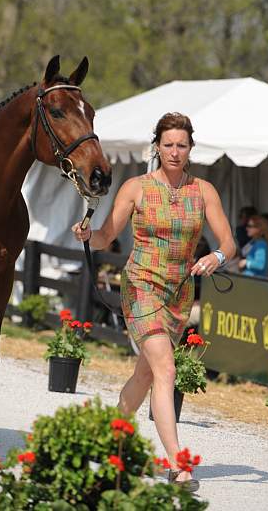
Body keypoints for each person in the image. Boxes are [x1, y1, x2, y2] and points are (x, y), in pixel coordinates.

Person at [73, 112, 235, 491]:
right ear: (156, 147)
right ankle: (179, 465)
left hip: (180, 292)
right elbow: (105, 235)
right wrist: (87, 234)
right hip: (141, 285)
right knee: (165, 370)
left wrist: (217, 258)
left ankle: (109, 438)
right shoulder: (137, 187)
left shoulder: (204, 192)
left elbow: (228, 242)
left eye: (181, 145)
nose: (174, 152)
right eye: (168, 144)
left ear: (191, 148)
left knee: (145, 374)